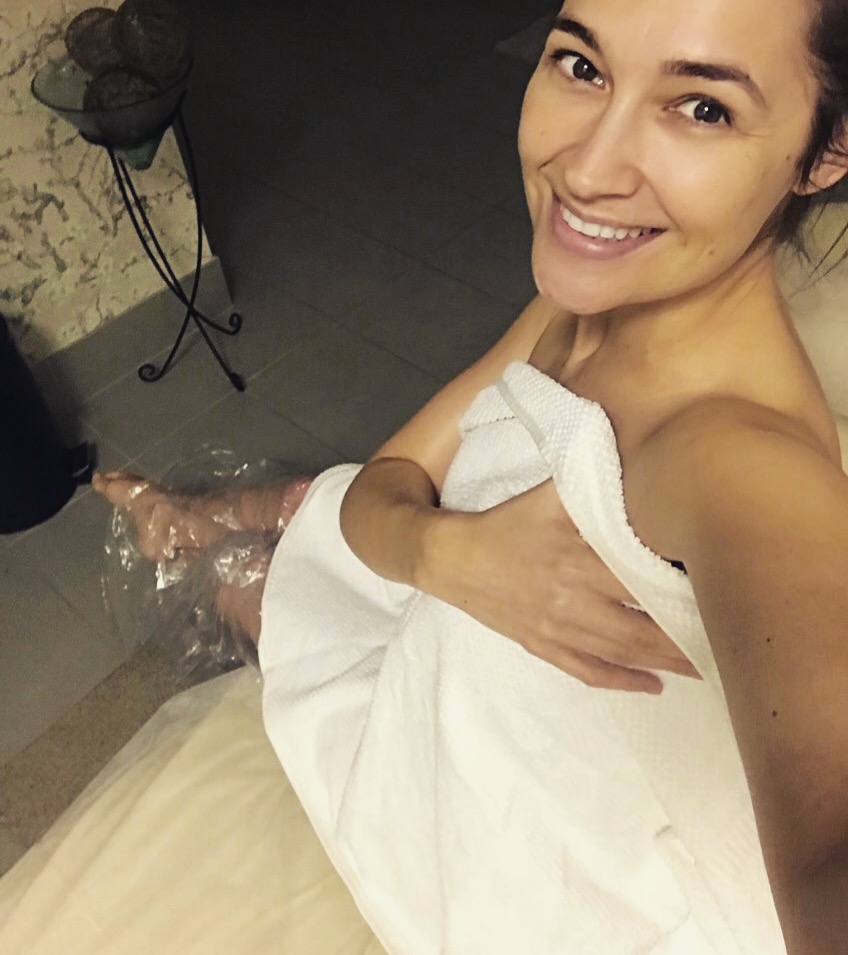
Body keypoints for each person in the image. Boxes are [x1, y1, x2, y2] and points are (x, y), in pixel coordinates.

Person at [96, 0, 848, 950]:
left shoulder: (743, 463)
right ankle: (207, 515)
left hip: (507, 836)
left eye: (702, 108)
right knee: (332, 516)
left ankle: (196, 533)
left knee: (275, 593)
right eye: (581, 65)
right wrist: (453, 557)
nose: (587, 169)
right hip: (450, 643)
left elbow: (827, 857)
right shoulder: (588, 302)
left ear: (826, 151)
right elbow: (389, 480)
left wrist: (427, 547)